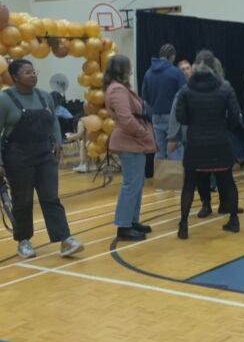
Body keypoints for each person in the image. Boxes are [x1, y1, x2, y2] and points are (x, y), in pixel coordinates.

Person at [0, 59, 84, 259]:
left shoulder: (45, 97)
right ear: (15, 77)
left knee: (51, 197)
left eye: (34, 71)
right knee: (22, 200)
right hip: (17, 157)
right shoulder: (4, 100)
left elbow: (53, 120)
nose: (33, 75)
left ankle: (65, 240)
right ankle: (24, 241)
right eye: (27, 72)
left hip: (44, 154)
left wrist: (57, 142)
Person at [175, 50, 241, 239]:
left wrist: (195, 123)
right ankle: (234, 219)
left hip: (195, 142)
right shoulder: (225, 87)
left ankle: (184, 225)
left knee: (188, 185)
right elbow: (235, 116)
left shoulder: (186, 89)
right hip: (220, 140)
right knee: (228, 181)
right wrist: (224, 127)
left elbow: (181, 117)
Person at [104, 55, 156, 241]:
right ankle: (124, 226)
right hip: (130, 141)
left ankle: (132, 220)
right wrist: (143, 132)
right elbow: (126, 119)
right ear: (122, 70)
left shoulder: (119, 88)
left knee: (136, 184)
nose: (131, 70)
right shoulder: (117, 89)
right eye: (129, 67)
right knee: (131, 185)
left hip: (133, 141)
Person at [141, 44, 187, 160]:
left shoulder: (148, 73)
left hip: (156, 116)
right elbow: (184, 96)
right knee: (174, 149)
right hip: (173, 117)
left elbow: (144, 96)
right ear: (172, 56)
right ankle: (176, 177)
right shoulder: (176, 72)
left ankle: (162, 177)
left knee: (160, 151)